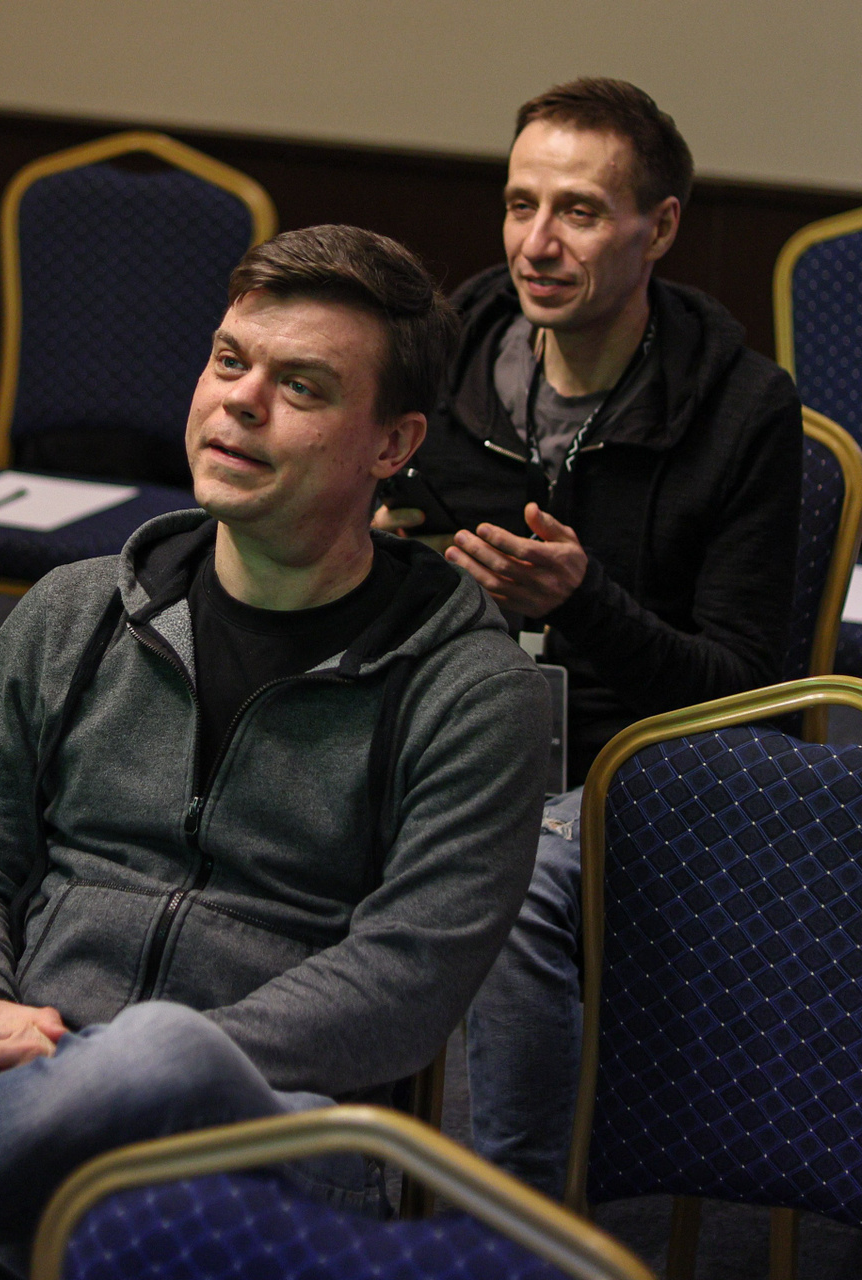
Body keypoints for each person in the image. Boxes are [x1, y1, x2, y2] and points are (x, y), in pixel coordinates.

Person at [0, 225, 552, 1248]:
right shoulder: (74, 612)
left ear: (392, 446)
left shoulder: (471, 690)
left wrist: (125, 1061)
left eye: (302, 386)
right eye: (229, 360)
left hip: (276, 1134)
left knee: (158, 1056)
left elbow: (405, 982)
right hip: (20, 1081)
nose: (241, 400)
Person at [382, 78, 801, 1198]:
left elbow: (742, 688)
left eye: (577, 210)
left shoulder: (741, 408)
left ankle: (511, 1223)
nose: (537, 243)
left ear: (658, 228)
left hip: (632, 767)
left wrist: (583, 604)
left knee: (512, 874)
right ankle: (305, 1185)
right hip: (451, 728)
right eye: (520, 205)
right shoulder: (440, 358)